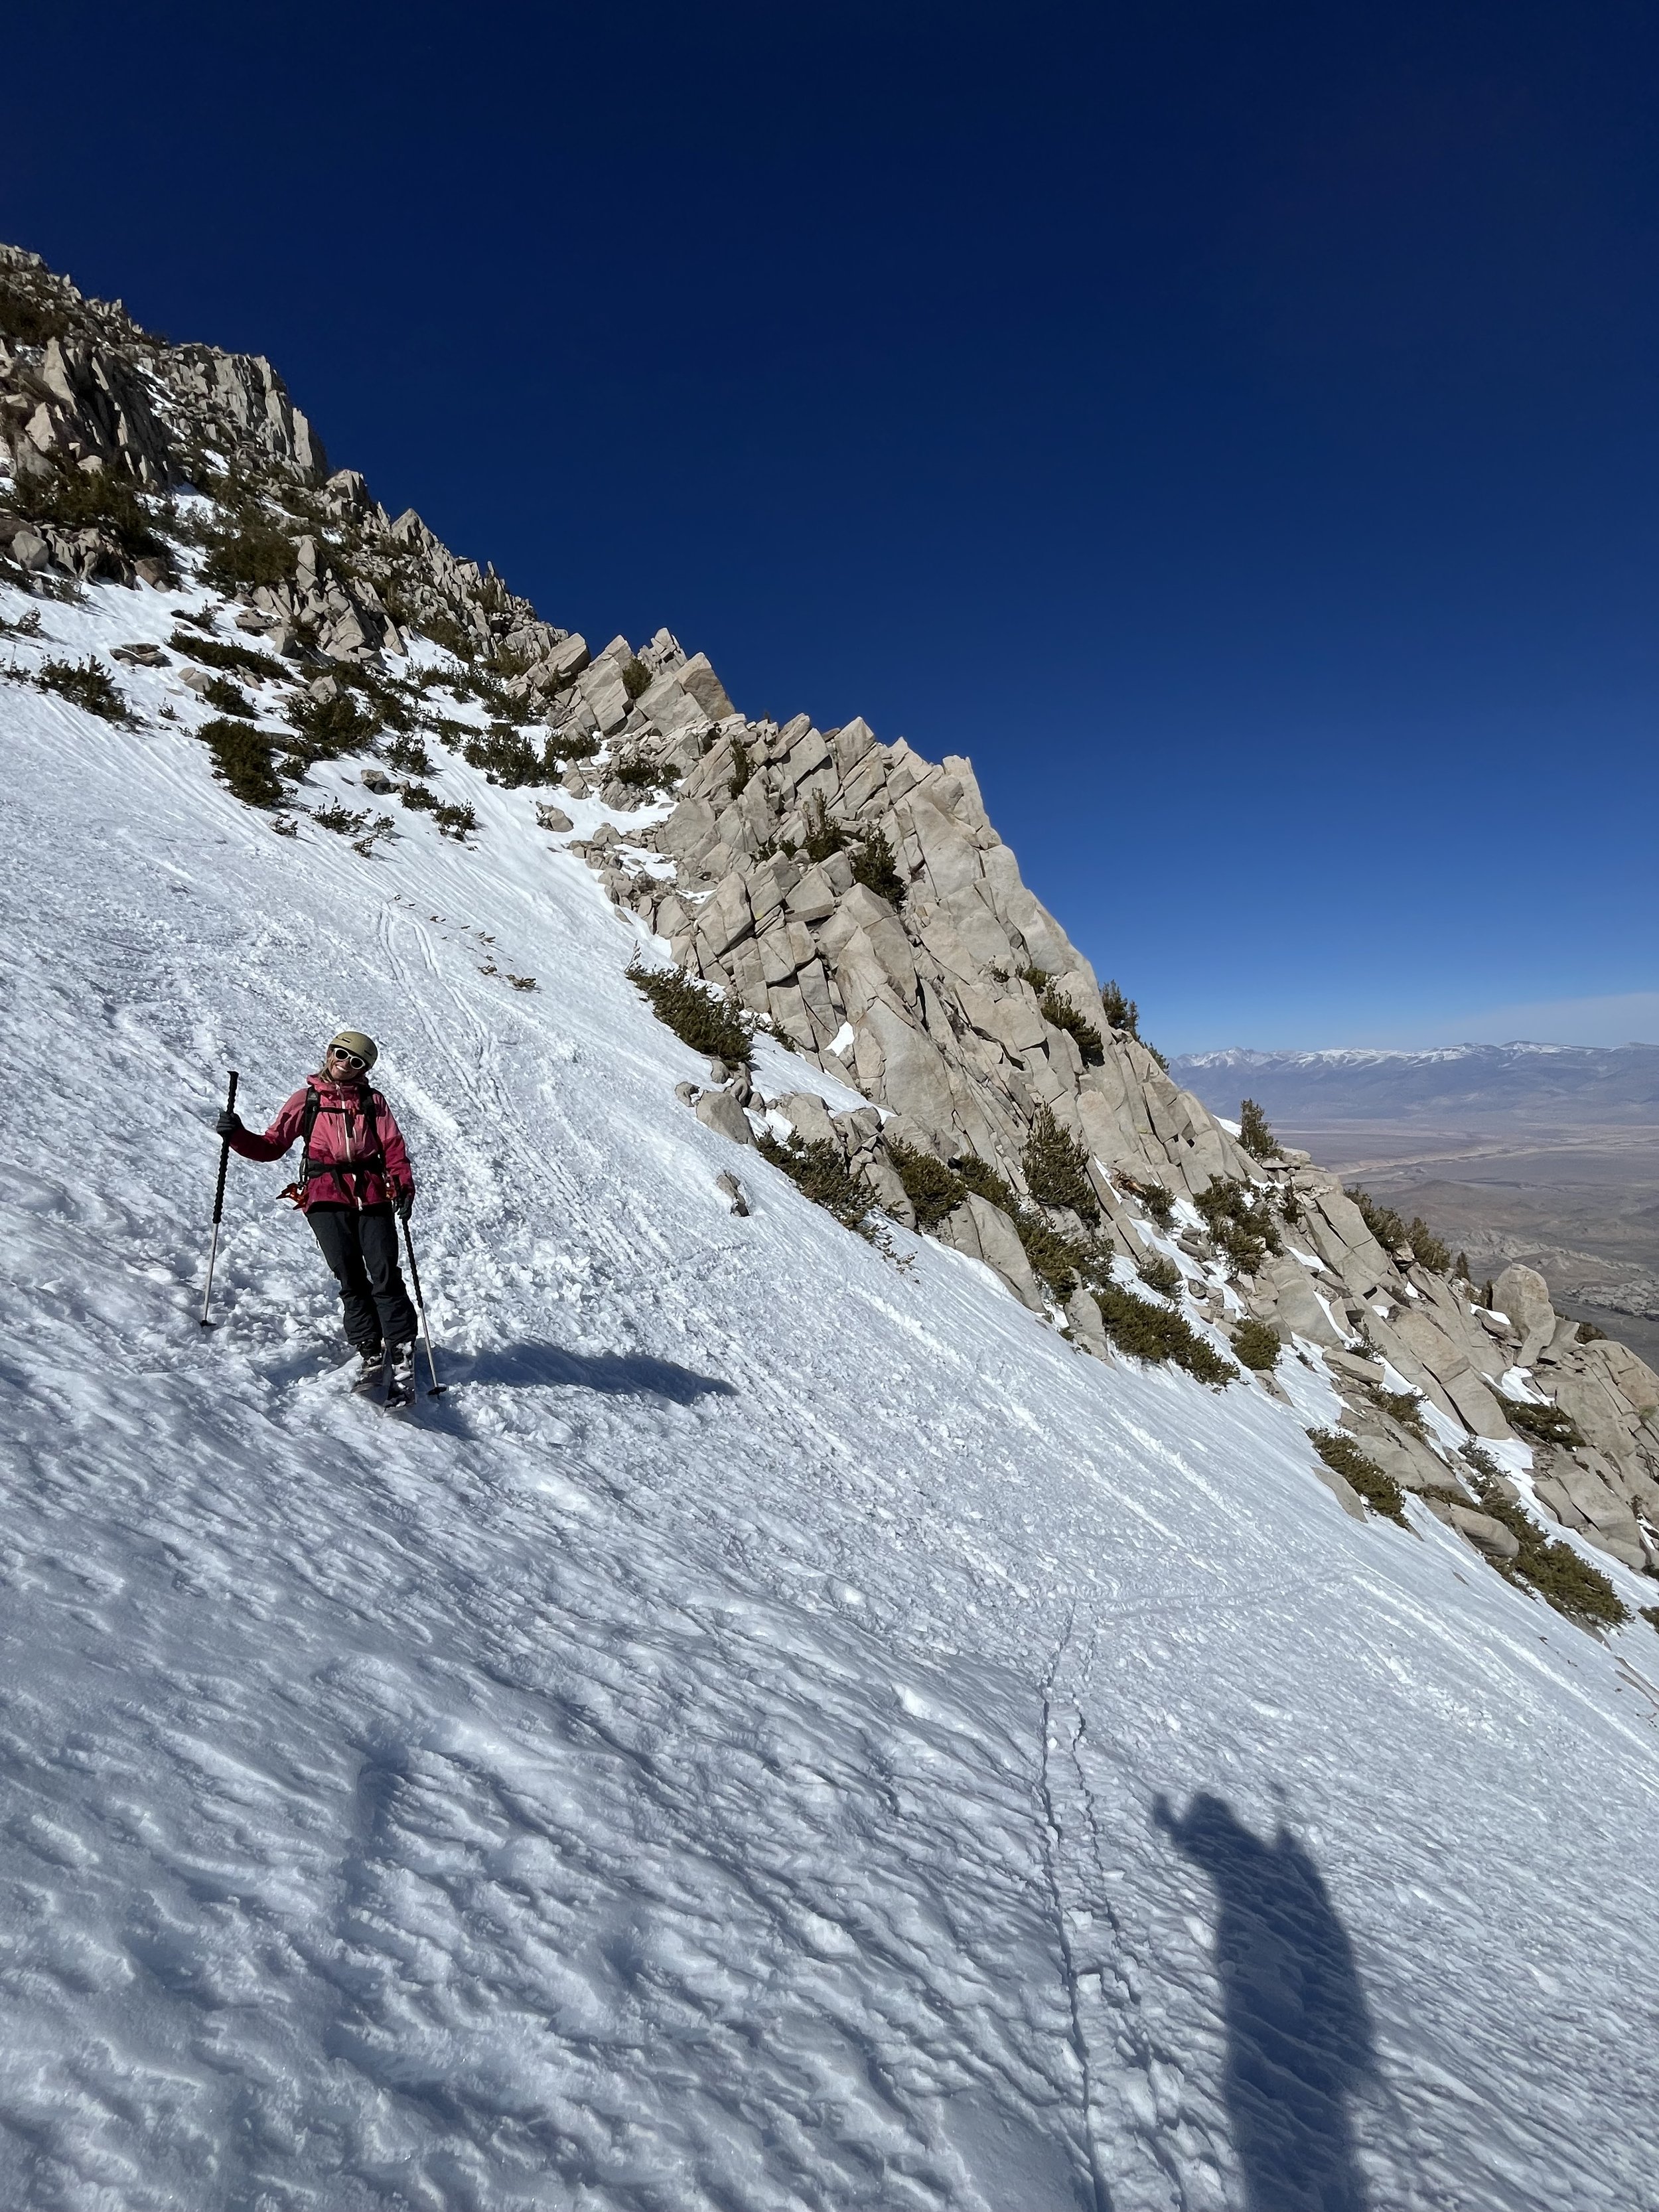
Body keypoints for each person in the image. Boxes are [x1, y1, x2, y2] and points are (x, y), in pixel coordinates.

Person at [217, 1030, 420, 1398]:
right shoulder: (306, 1100)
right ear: (330, 1053)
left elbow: (392, 1147)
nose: (346, 1064)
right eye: (342, 1054)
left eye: (356, 1062)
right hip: (325, 1195)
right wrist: (238, 1135)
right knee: (350, 1275)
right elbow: (271, 1146)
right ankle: (370, 1350)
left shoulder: (373, 1101)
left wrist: (403, 1187)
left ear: (364, 1069)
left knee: (385, 1272)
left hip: (372, 1194)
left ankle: (402, 1350)